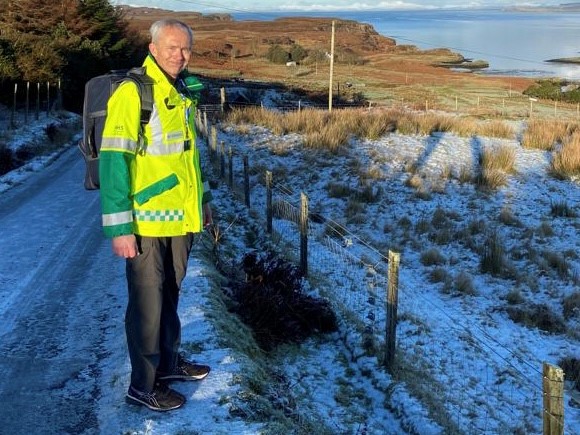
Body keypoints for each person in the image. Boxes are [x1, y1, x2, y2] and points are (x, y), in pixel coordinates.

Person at [99, 19, 213, 412]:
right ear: (152, 48)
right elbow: (114, 160)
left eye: (185, 49)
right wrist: (120, 228)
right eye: (171, 48)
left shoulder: (180, 93)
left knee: (170, 296)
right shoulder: (134, 93)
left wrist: (205, 201)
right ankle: (142, 386)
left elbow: (188, 159)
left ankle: (167, 365)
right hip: (145, 224)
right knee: (147, 306)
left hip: (180, 221)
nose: (179, 56)